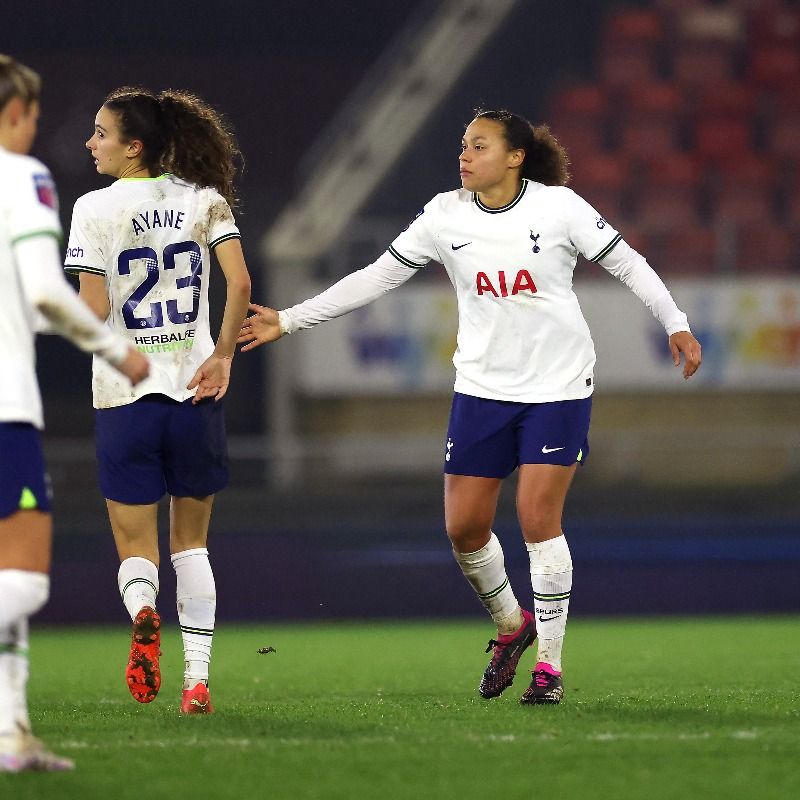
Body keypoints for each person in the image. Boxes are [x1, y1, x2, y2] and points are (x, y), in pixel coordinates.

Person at [238, 108, 702, 705]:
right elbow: (377, 276)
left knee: (539, 519)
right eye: (463, 145)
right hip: (482, 388)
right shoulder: (443, 215)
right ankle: (513, 626)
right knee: (463, 528)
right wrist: (292, 319)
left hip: (556, 386)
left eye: (478, 146)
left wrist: (676, 324)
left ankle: (550, 671)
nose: (465, 155)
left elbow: (627, 263)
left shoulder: (559, 208)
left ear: (515, 157)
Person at [64, 86, 251, 714]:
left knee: (135, 544)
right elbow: (241, 283)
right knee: (191, 545)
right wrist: (221, 355)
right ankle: (196, 680)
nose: (91, 143)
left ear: (133, 146)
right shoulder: (204, 200)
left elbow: (92, 309)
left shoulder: (93, 207)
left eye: (101, 133)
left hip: (124, 395)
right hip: (194, 391)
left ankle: (144, 613)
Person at [0, 56, 150, 773]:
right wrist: (114, 352)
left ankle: (11, 734)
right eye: (30, 114)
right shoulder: (20, 178)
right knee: (23, 580)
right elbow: (49, 294)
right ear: (14, 115)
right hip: (5, 409)